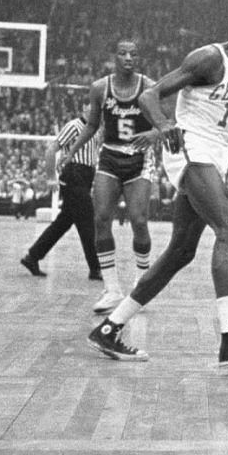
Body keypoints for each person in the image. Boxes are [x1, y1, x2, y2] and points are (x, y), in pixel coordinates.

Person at [87, 5, 228, 367]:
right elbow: (149, 96)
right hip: (188, 150)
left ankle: (110, 328)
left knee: (180, 252)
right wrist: (164, 124)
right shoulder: (208, 58)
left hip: (213, 158)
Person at [62, 40, 158, 315]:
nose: (128, 57)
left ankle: (142, 284)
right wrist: (72, 152)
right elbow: (92, 124)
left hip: (139, 158)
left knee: (139, 220)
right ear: (114, 57)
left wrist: (154, 133)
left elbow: (166, 120)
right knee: (101, 218)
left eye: (133, 53)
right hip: (110, 156)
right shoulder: (100, 88)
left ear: (139, 58)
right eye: (123, 53)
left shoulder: (149, 86)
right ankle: (112, 289)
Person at [19, 109, 102, 281]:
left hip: (84, 177)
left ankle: (32, 256)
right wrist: (50, 177)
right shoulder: (74, 126)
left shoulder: (93, 130)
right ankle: (95, 268)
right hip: (74, 175)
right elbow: (52, 149)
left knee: (63, 223)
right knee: (87, 222)